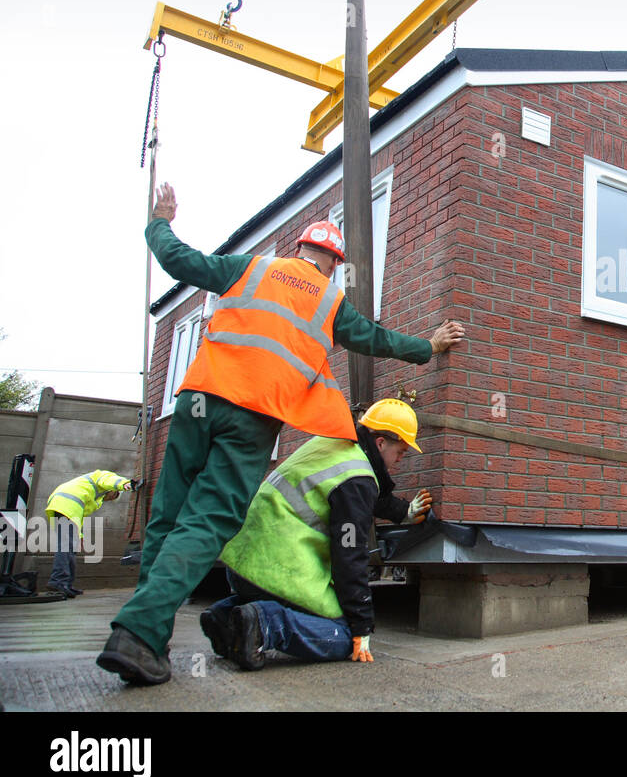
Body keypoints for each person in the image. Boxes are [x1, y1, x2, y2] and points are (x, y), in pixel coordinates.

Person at [98, 183, 464, 685]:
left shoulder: (252, 268)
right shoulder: (330, 303)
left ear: (299, 250)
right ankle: (138, 633)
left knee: (167, 515)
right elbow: (378, 340)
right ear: (334, 264)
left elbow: (180, 261)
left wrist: (160, 220)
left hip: (196, 401)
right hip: (251, 418)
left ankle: (148, 636)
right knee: (209, 519)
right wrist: (430, 346)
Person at [199, 399, 431, 669]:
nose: (401, 459)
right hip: (277, 567)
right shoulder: (357, 478)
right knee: (341, 634)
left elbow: (365, 493)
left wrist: (404, 511)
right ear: (380, 443)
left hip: (242, 562)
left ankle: (225, 618)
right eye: (401, 451)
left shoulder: (337, 445)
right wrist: (361, 625)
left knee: (283, 602)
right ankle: (265, 625)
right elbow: (350, 556)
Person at [44, 470, 136, 598]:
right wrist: (125, 483)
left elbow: (78, 515)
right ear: (113, 490)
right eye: (113, 496)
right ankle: (58, 581)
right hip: (66, 504)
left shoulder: (95, 497)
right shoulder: (100, 476)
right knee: (66, 547)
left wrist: (79, 536)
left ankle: (66, 584)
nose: (109, 499)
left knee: (70, 547)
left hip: (62, 505)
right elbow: (109, 479)